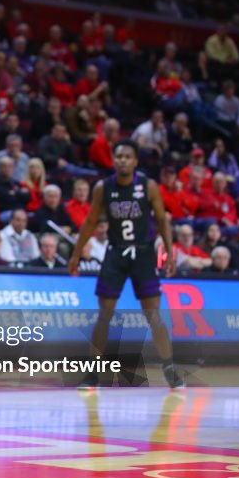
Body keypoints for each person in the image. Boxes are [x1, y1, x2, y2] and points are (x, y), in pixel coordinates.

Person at [68, 141, 184, 389]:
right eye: (118, 156)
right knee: (104, 314)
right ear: (113, 160)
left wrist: (170, 255)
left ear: (135, 161)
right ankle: (92, 375)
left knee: (153, 314)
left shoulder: (148, 186)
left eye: (127, 156)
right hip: (116, 253)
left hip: (143, 254)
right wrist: (76, 254)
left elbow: (163, 221)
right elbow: (89, 222)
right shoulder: (103, 188)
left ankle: (169, 368)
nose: (122, 160)